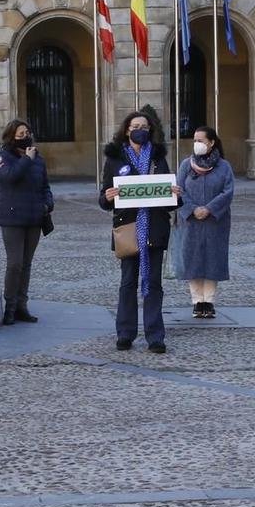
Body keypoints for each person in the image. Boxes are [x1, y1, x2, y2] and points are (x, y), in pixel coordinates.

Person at [99, 110, 181, 353]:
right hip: (128, 228)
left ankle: (155, 336)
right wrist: (107, 196)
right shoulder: (115, 159)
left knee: (153, 283)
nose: (140, 130)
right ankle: (125, 333)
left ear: (150, 131)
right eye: (136, 126)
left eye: (144, 127)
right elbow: (104, 199)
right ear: (127, 130)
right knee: (127, 283)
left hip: (154, 228)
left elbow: (167, 197)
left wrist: (175, 195)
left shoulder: (157, 158)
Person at [0, 117, 53, 325]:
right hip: (12, 218)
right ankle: (9, 307)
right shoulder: (4, 157)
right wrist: (26, 160)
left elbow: (45, 186)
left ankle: (22, 306)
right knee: (14, 264)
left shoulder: (38, 158)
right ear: (12, 137)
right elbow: (8, 177)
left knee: (26, 264)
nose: (25, 137)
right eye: (20, 135)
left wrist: (48, 204)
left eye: (27, 134)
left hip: (34, 217)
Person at [175, 126, 234, 319]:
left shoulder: (224, 166)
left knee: (212, 259)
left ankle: (209, 301)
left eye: (201, 140)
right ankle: (196, 301)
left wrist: (209, 208)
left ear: (211, 142)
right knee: (192, 260)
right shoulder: (186, 165)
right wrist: (192, 209)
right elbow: (178, 189)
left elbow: (228, 192)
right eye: (195, 140)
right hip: (191, 221)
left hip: (215, 221)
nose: (197, 144)